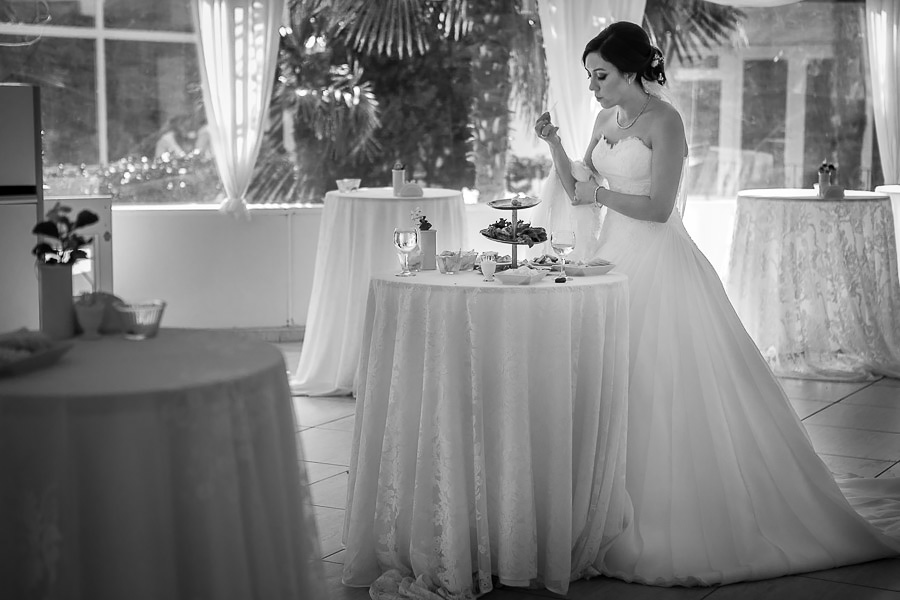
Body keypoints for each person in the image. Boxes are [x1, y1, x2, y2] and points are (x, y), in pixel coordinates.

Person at [535, 21, 900, 587]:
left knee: (662, 384)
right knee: (611, 382)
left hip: (659, 261)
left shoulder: (666, 121)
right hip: (609, 262)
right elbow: (577, 183)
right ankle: (602, 506)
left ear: (632, 70)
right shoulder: (605, 120)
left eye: (600, 75)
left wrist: (597, 193)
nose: (593, 87)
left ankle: (673, 512)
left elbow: (659, 208)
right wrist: (556, 144)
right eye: (589, 76)